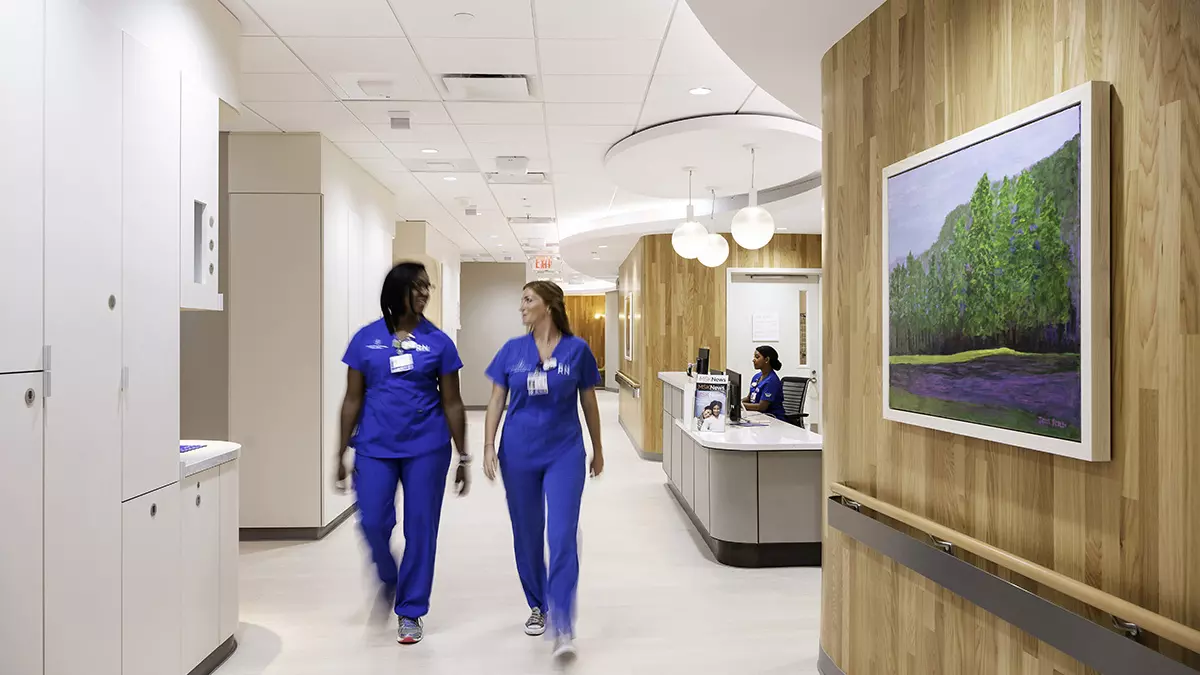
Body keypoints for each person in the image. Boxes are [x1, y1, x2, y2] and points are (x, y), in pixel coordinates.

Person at [334, 261, 470, 646]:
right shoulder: (366, 340)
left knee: (421, 529)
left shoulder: (438, 342)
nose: (425, 293)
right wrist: (338, 453)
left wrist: (464, 456)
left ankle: (410, 610)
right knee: (372, 523)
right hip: (374, 447)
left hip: (427, 448)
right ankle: (389, 576)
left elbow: (453, 402)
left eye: (428, 287)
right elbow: (352, 399)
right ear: (398, 290)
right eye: (418, 286)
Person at [482, 280, 604, 661]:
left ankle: (563, 621)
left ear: (548, 306)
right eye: (521, 300)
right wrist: (488, 445)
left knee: (562, 533)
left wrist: (598, 448)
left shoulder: (577, 350)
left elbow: (589, 402)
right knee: (527, 533)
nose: (521, 306)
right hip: (518, 453)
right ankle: (538, 604)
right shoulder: (512, 350)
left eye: (528, 299)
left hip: (564, 452)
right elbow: (496, 400)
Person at [743, 346, 786, 420]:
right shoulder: (756, 377)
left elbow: (761, 407)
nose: (753, 360)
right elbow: (749, 398)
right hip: (758, 416)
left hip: (773, 419)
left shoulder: (771, 381)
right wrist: (735, 402)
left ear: (766, 360)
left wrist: (740, 406)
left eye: (757, 357)